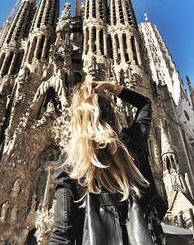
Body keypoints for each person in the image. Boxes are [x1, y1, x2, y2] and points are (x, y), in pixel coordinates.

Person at [49, 81, 167, 245]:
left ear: (78, 120)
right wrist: (112, 88)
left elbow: (62, 233)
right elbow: (145, 104)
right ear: (113, 115)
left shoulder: (71, 161)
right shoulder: (132, 144)